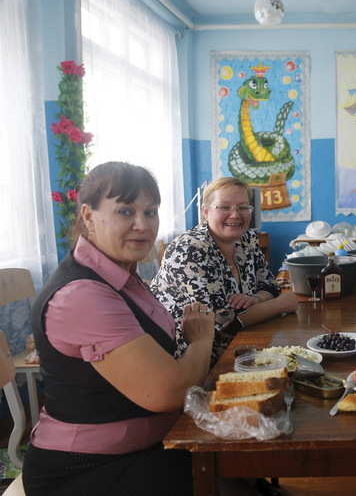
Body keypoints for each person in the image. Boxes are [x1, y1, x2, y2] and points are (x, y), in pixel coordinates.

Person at [23, 162, 215, 496]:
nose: (142, 225)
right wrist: (202, 339)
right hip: (85, 469)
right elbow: (168, 394)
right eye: (125, 211)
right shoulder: (81, 294)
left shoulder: (123, 275)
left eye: (151, 212)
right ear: (88, 215)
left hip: (144, 448)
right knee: (222, 470)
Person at [151, 177, 298, 366]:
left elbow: (269, 284)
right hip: (188, 358)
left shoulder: (248, 239)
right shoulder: (190, 249)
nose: (236, 215)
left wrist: (258, 299)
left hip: (239, 342)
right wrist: (280, 305)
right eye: (224, 207)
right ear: (205, 212)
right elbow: (221, 322)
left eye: (243, 207)